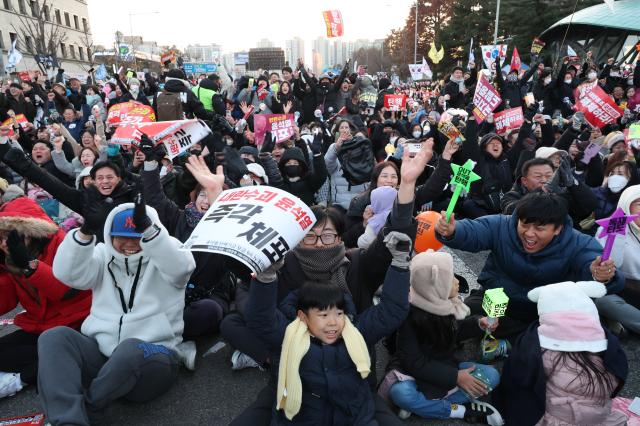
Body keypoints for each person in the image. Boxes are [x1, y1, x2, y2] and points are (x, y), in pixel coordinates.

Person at [38, 192, 196, 426]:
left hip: (152, 358)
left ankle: (89, 409)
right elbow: (67, 274)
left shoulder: (168, 250)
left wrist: (151, 233)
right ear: (109, 235)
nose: (130, 244)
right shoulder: (101, 254)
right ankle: (67, 421)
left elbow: (181, 269)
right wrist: (85, 232)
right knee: (54, 337)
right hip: (103, 356)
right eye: (121, 236)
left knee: (130, 348)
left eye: (137, 236)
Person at [244, 229, 412, 424]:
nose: (333, 322)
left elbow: (391, 310)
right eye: (323, 315)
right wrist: (266, 276)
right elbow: (260, 318)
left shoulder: (355, 330)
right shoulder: (288, 334)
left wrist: (400, 263)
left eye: (339, 313)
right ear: (303, 316)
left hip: (356, 418)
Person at [435, 192, 624, 339]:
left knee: (544, 345)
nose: (529, 234)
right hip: (495, 298)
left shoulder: (578, 242)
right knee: (455, 318)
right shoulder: (502, 225)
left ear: (558, 229)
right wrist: (453, 230)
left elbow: (592, 261)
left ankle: (511, 340)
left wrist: (600, 274)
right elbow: (474, 231)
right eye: (524, 224)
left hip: (543, 312)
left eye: (540, 228)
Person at [382, 250, 503, 424]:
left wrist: (478, 323)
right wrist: (456, 377)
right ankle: (459, 410)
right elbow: (413, 362)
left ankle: (421, 406)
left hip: (447, 366)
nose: (456, 282)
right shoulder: (409, 316)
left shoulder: (447, 305)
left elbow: (456, 330)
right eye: (450, 279)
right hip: (411, 374)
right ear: (434, 288)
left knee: (491, 375)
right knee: (400, 393)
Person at [499, 281, 628, 426]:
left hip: (558, 418)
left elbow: (518, 377)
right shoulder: (607, 340)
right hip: (599, 416)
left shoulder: (536, 343)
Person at [0, 197, 91, 398]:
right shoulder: (10, 255)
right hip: (42, 323)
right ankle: (46, 367)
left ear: (31, 230)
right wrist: (3, 270)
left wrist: (29, 264)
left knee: (58, 356)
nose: (5, 243)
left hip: (77, 322)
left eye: (11, 235)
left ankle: (21, 379)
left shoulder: (61, 242)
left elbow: (64, 290)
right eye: (1, 237)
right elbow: (6, 300)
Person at [594, 185, 640, 335]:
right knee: (604, 301)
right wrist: (619, 235)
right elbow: (611, 265)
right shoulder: (613, 227)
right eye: (639, 204)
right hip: (622, 288)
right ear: (626, 205)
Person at [501, 157, 598, 227]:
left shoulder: (562, 194)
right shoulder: (512, 195)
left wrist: (573, 184)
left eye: (549, 176)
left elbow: (590, 205)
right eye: (538, 176)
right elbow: (511, 211)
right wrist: (544, 190)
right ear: (524, 181)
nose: (544, 180)